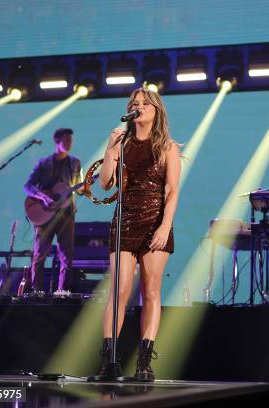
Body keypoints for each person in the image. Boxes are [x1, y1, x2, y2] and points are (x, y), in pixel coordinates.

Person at [97, 87, 181, 381]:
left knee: (151, 291)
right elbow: (106, 183)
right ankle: (109, 360)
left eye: (145, 103)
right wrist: (110, 149)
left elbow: (172, 191)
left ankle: (144, 361)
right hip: (126, 220)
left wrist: (165, 226)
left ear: (156, 110)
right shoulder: (123, 144)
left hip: (156, 221)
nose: (140, 107)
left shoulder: (167, 147)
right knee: (119, 291)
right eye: (135, 103)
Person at [24, 128, 82, 293]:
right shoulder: (44, 163)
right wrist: (42, 197)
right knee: (40, 254)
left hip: (66, 214)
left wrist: (83, 187)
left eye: (71, 140)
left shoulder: (75, 163)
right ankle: (36, 292)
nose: (70, 143)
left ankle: (62, 292)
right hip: (44, 214)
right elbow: (28, 186)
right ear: (57, 141)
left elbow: (79, 187)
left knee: (66, 256)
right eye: (66, 140)